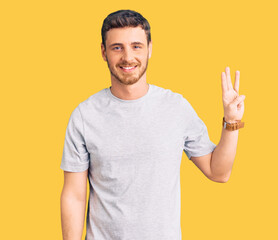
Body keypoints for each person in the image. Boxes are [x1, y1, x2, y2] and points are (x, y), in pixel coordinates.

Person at [60, 9, 246, 240]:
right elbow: (74, 196)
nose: (128, 57)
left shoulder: (176, 107)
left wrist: (232, 121)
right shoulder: (84, 116)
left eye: (136, 46)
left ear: (150, 49)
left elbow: (218, 172)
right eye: (117, 47)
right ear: (103, 52)